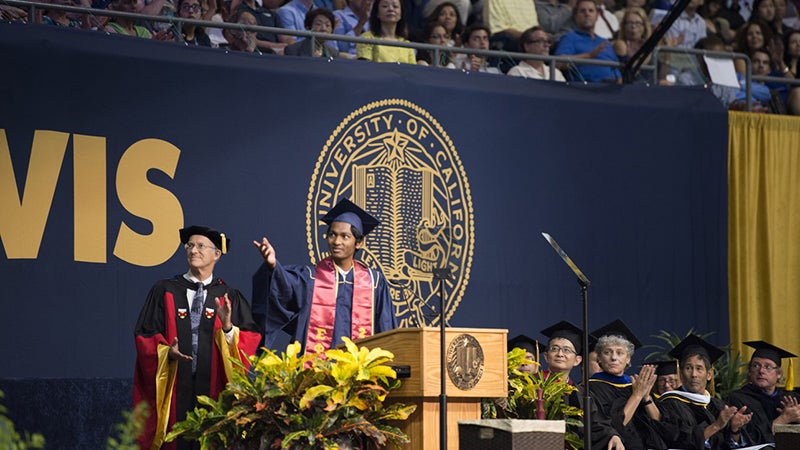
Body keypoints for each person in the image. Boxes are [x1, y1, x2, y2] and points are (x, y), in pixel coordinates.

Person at [133, 226, 261, 450]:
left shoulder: (228, 296)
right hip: (174, 388)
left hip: (213, 391)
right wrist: (167, 352)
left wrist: (228, 326)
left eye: (201, 246)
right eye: (190, 245)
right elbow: (146, 334)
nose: (193, 250)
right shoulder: (165, 290)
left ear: (217, 254)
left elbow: (248, 342)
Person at [252, 199, 398, 354]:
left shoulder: (374, 283)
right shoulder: (311, 278)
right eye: (332, 235)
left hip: (360, 366)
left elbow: (386, 328)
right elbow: (284, 287)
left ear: (359, 243)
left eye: (345, 236)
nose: (336, 241)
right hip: (316, 364)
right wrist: (273, 266)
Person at [540, 320, 626, 450]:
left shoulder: (582, 394)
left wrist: (613, 436)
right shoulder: (532, 387)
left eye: (567, 350)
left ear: (577, 360)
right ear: (546, 356)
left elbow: (597, 424)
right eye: (554, 349)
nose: (560, 354)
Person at [657, 334, 752, 449]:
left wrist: (734, 429)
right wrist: (716, 426)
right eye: (688, 368)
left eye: (699, 368)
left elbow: (730, 444)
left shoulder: (718, 405)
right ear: (681, 374)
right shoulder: (670, 404)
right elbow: (677, 440)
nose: (694, 374)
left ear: (709, 374)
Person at [588, 319, 666, 450]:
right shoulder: (591, 388)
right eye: (607, 352)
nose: (614, 357)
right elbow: (614, 426)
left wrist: (646, 397)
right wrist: (637, 396)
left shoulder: (635, 385)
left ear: (628, 358)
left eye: (620, 353)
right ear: (599, 358)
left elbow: (660, 425)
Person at [725, 341, 800, 445]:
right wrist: (783, 419)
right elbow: (747, 439)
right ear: (749, 371)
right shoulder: (738, 399)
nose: (761, 371)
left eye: (768, 367)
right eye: (756, 366)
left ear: (778, 374)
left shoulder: (791, 398)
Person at [555, 0, 622, 82]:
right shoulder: (569, 38)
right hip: (585, 87)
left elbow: (617, 71)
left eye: (591, 11)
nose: (587, 14)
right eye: (582, 11)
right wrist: (589, 56)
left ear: (597, 16)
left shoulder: (605, 42)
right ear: (576, 17)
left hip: (613, 87)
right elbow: (558, 63)